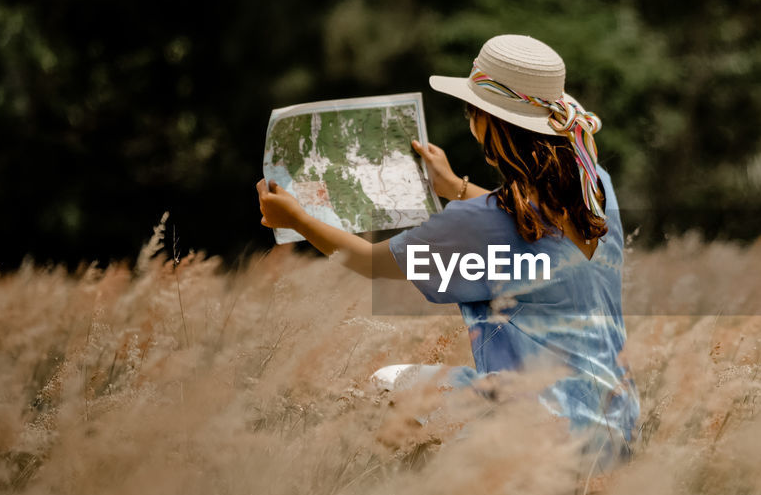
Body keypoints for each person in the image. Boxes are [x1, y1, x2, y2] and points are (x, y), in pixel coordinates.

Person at [255, 34, 639, 471]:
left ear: (487, 122)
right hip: (615, 430)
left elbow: (369, 261)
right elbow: (531, 222)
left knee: (389, 385)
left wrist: (297, 219)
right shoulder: (595, 187)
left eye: (470, 109)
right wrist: (454, 187)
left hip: (545, 434)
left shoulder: (477, 223)